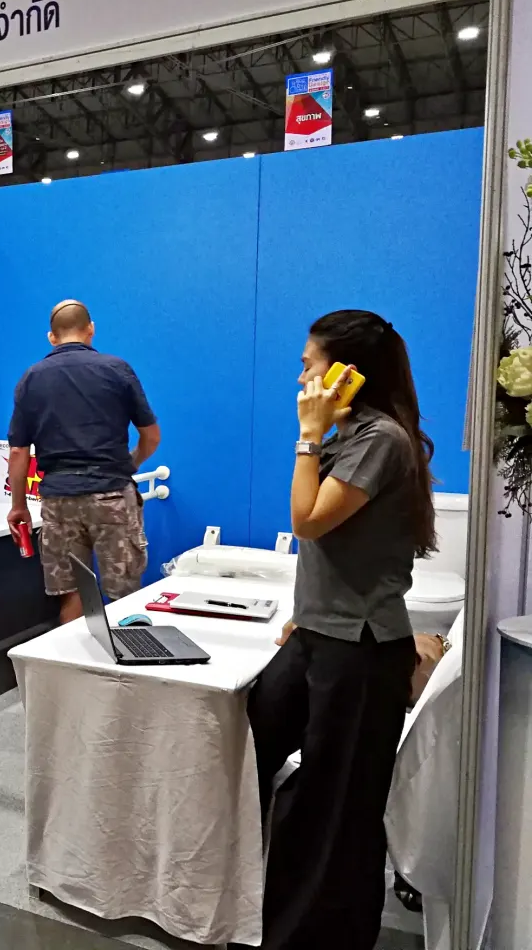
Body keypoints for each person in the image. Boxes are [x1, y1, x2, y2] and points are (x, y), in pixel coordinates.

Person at [246, 310, 435, 950]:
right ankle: (259, 917)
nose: (301, 374)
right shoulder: (353, 433)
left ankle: (316, 939)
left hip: (361, 649)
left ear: (347, 373)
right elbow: (337, 548)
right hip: (320, 634)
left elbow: (308, 521)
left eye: (309, 362)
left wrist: (308, 435)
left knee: (331, 811)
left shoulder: (380, 439)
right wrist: (307, 609)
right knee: (255, 752)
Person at [6, 299, 161, 624]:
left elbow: (19, 451)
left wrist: (18, 506)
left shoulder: (31, 378)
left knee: (71, 594)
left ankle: (71, 658)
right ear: (91, 329)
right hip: (112, 496)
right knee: (124, 597)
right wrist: (129, 465)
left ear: (52, 337)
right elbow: (151, 437)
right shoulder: (116, 370)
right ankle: (127, 656)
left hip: (59, 500)